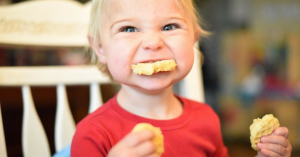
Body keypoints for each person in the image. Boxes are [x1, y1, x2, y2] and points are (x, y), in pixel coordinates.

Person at [71, 0, 292, 157]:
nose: (152, 42)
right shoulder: (93, 135)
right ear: (100, 48)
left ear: (193, 39)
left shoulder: (206, 120)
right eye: (129, 28)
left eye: (169, 26)